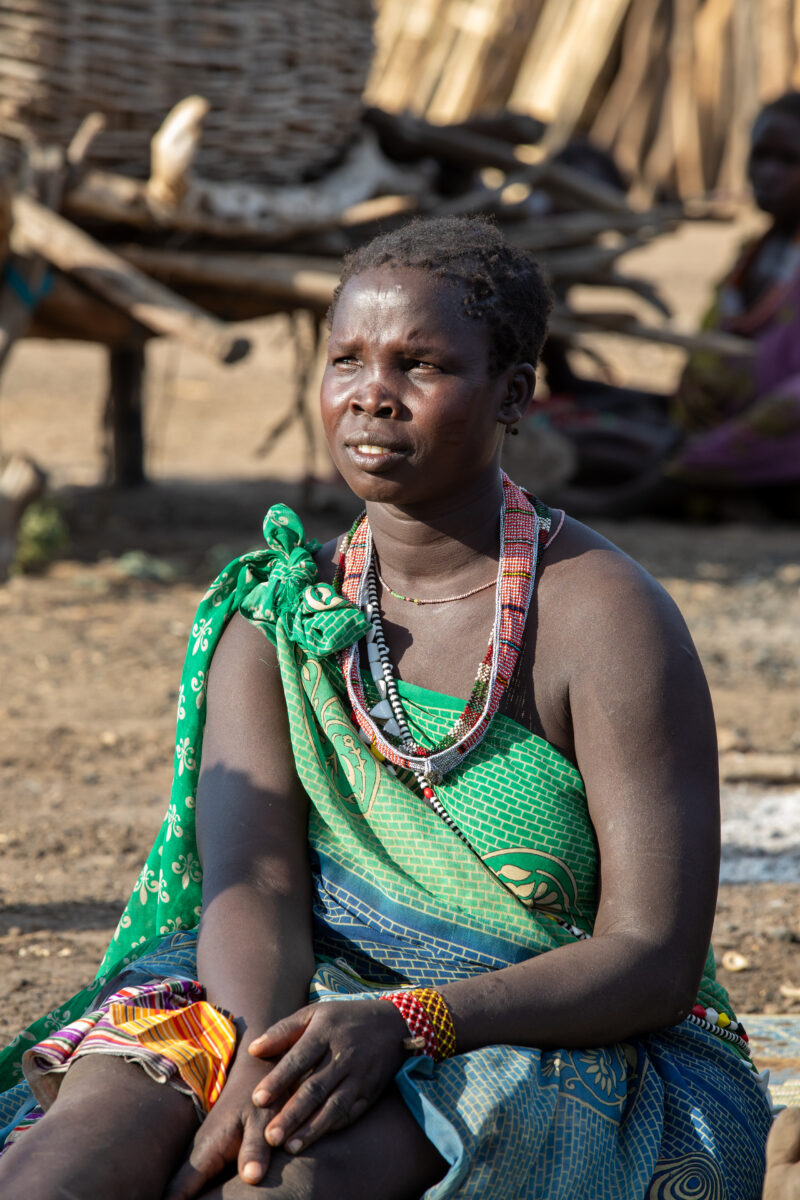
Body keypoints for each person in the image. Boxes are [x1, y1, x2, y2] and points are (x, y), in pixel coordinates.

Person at [0, 216, 777, 1199]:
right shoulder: (283, 613)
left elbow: (651, 959)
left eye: (419, 363)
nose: (371, 391)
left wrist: (409, 1021)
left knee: (279, 1185)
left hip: (528, 1026)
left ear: (512, 394)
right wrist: (251, 1059)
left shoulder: (601, 619)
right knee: (66, 1165)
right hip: (282, 986)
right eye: (346, 359)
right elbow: (258, 886)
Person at [549, 91, 800, 519]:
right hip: (707, 423)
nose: (768, 174)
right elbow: (710, 354)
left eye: (787, 161)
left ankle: (636, 500)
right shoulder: (752, 255)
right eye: (760, 158)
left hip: (776, 442)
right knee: (587, 432)